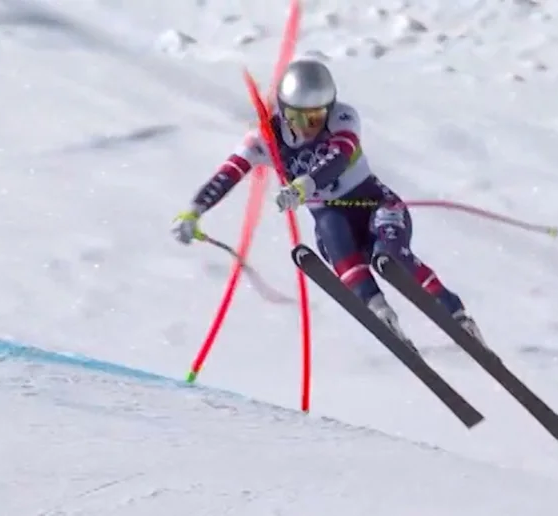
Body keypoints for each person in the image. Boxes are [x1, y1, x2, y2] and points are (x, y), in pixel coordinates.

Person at [172, 59, 485, 350]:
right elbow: (228, 174)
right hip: (332, 217)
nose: (312, 125)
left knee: (390, 253)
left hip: (376, 205)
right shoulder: (264, 141)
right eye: (302, 118)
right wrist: (194, 210)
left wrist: (303, 185)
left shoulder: (343, 118)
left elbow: (339, 156)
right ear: (285, 112)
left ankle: (454, 313)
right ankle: (380, 312)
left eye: (318, 116)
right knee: (333, 237)